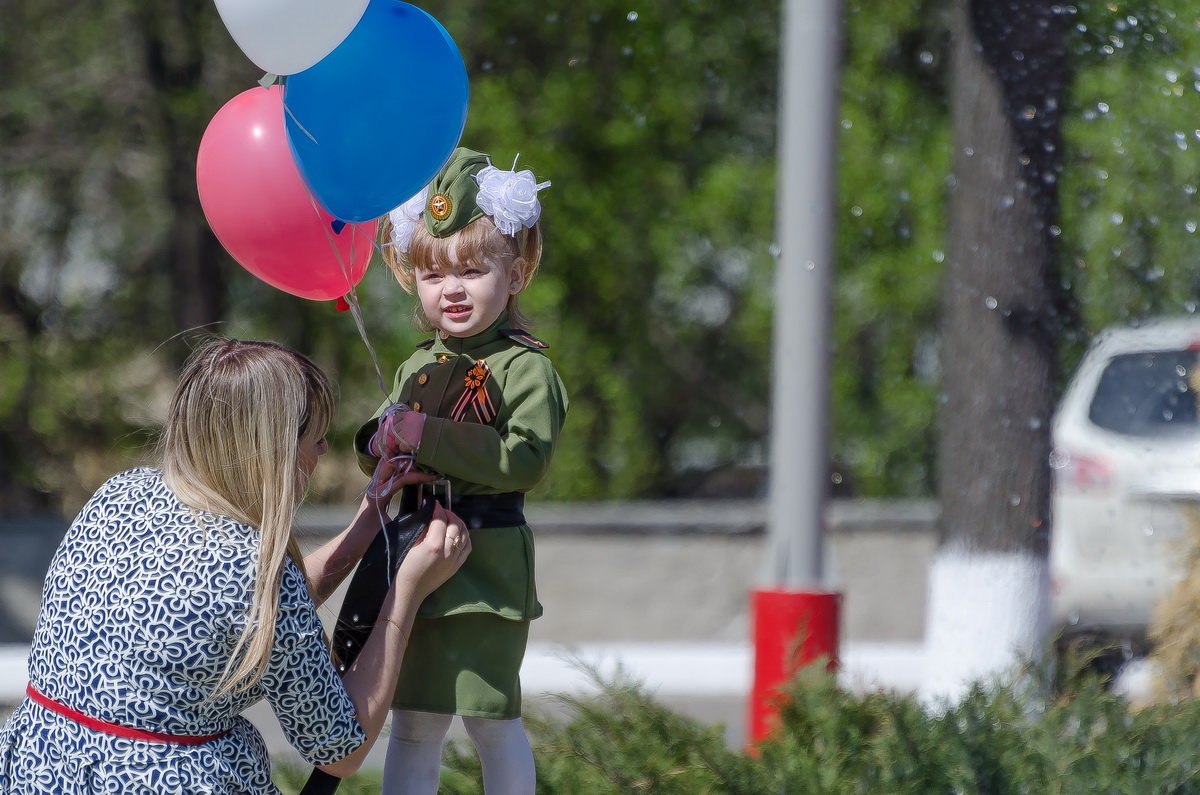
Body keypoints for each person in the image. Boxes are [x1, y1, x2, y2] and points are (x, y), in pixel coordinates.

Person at [0, 338, 471, 793]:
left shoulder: (121, 493)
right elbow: (340, 751)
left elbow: (233, 618)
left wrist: (367, 524)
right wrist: (406, 591)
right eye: (316, 436)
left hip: (39, 769)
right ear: (273, 447)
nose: (323, 451)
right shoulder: (254, 569)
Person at [358, 147, 568, 794]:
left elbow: (525, 459)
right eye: (433, 275)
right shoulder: (415, 364)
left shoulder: (526, 367)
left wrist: (428, 434)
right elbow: (378, 429)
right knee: (414, 723)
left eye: (472, 270)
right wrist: (378, 445)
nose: (451, 289)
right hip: (416, 561)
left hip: (486, 569)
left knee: (491, 721)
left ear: (515, 272)